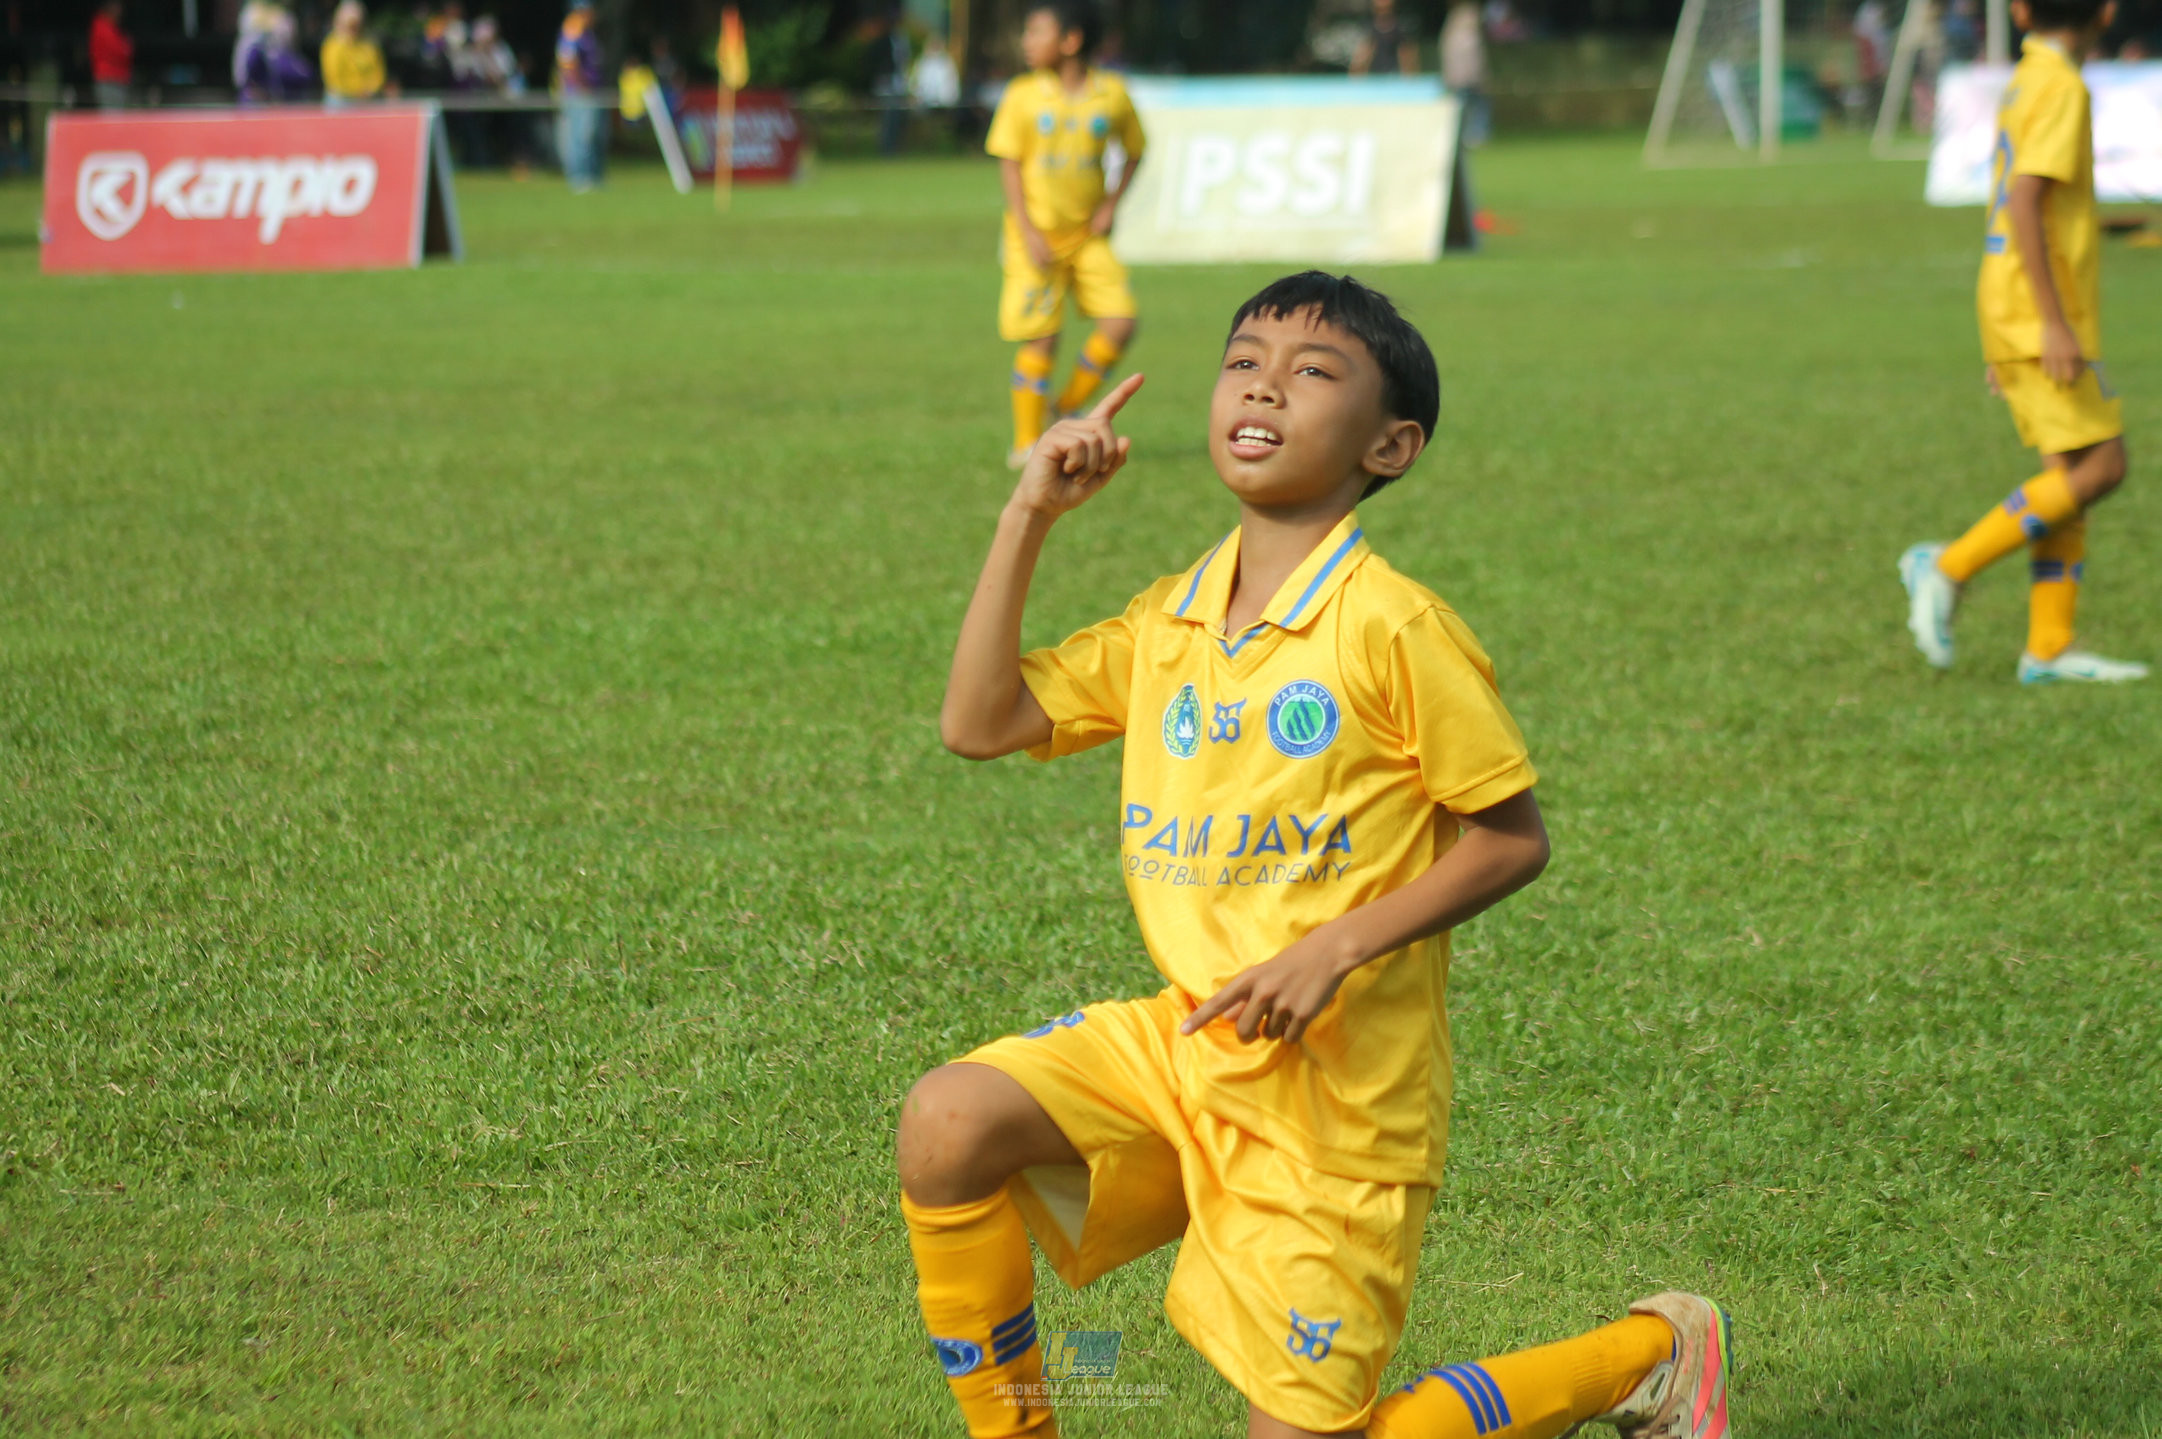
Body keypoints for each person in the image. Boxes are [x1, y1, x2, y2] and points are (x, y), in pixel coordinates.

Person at [900, 269, 1734, 1439]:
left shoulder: (1392, 625)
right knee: (948, 1119)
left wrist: (1332, 949)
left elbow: (1511, 838)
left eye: (1311, 374)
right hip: (1190, 1047)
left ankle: (1647, 1355)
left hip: (1339, 1112)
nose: (1263, 388)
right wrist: (1026, 513)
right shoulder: (1173, 615)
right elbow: (977, 724)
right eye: (1244, 363)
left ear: (1388, 446)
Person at [1902, 0, 2148, 684]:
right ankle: (1946, 565)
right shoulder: (2062, 86)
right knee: (2104, 466)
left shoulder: (2027, 78)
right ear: (2107, 10)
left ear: (2017, 11)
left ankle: (2049, 645)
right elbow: (2026, 198)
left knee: (2069, 472)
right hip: (2041, 306)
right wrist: (2050, 322)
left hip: (2013, 297)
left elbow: (2019, 200)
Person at [986, 1, 1146, 469]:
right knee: (1042, 339)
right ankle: (1025, 444)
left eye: (1037, 32)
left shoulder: (1111, 94)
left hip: (1087, 236)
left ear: (1071, 41)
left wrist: (1111, 204)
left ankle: (1065, 406)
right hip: (1034, 237)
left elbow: (1136, 150)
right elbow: (1009, 164)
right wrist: (1027, 228)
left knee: (1121, 322)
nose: (1026, 42)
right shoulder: (1022, 95)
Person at [554, 0, 606, 191]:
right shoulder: (573, 28)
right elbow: (567, 61)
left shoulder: (585, 30)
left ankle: (593, 177)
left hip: (589, 92)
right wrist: (581, 85)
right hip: (579, 93)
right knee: (580, 136)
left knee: (592, 136)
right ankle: (580, 178)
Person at [321, 0, 387, 107]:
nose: (353, 28)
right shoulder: (332, 45)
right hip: (342, 99)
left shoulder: (370, 44)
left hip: (368, 99)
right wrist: (357, 91)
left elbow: (378, 74)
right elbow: (334, 79)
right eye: (350, 24)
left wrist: (370, 90)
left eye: (356, 24)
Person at [1440, 2, 1488, 144]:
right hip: (1463, 76)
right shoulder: (1462, 21)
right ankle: (1469, 134)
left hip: (1467, 75)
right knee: (1465, 105)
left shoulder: (1461, 21)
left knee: (1475, 104)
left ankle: (1476, 134)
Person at [1353, 0, 1420, 76]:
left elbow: (1409, 63)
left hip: (1396, 80)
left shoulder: (1403, 27)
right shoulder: (1366, 28)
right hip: (1372, 81)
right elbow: (1359, 63)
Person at [89, 0, 133, 109]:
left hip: (118, 80)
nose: (120, 11)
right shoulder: (101, 26)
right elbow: (120, 52)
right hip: (108, 80)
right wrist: (126, 47)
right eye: (117, 6)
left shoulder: (114, 28)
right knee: (111, 117)